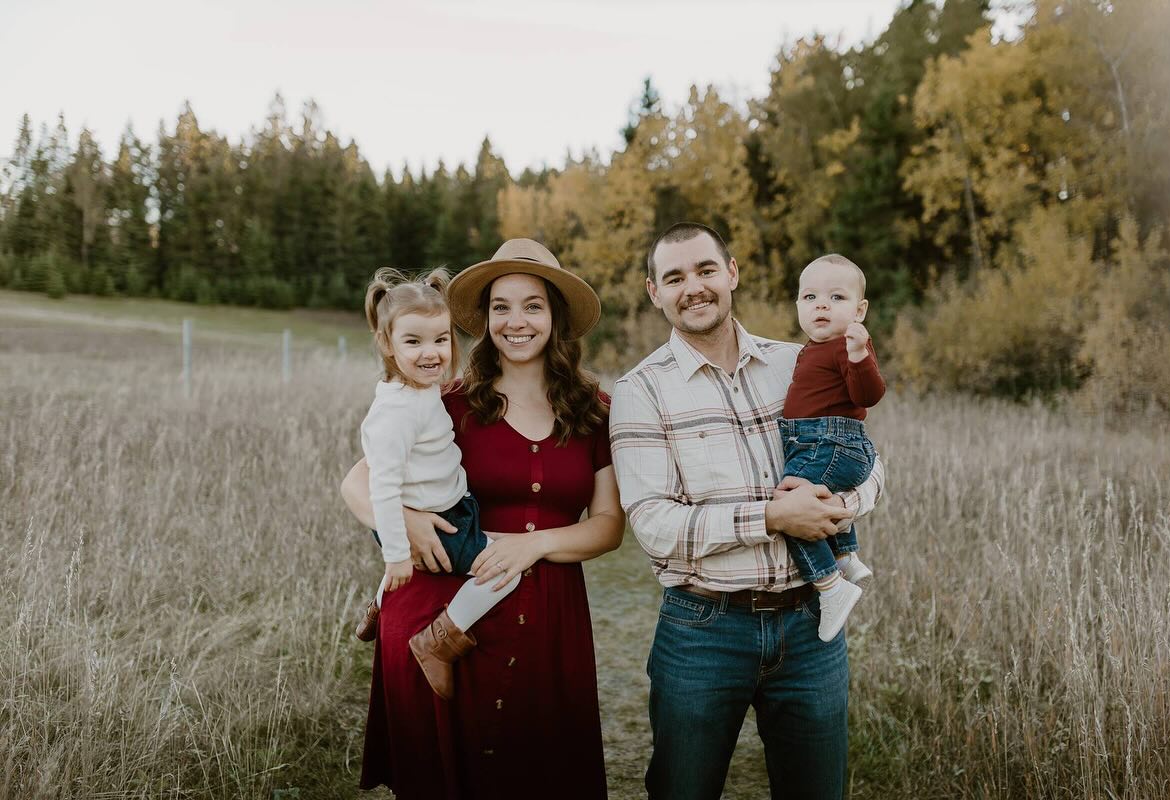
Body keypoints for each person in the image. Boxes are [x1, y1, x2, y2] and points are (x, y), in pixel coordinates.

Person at [609, 222, 885, 800]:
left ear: (731, 273)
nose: (694, 287)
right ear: (653, 291)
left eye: (706, 270)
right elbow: (654, 527)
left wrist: (839, 505)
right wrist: (773, 517)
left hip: (811, 629)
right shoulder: (641, 391)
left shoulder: (800, 360)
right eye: (675, 277)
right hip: (703, 631)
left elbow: (867, 459)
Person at [341, 238, 622, 799]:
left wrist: (532, 545)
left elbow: (609, 526)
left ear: (556, 316)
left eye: (533, 305)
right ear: (486, 319)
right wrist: (408, 520)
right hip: (440, 613)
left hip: (550, 626)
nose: (516, 321)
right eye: (501, 307)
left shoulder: (595, 411)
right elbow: (355, 481)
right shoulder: (448, 401)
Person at [355, 266, 521, 700]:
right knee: (505, 572)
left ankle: (376, 607)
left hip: (452, 506)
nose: (432, 353)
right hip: (438, 519)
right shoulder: (396, 414)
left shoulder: (420, 388)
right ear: (387, 345)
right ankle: (440, 640)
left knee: (494, 548)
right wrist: (395, 557)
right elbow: (383, 489)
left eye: (441, 339)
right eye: (414, 342)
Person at [778, 253, 886, 642]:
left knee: (791, 507)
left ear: (860, 310)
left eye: (836, 298)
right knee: (816, 498)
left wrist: (860, 355)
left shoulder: (847, 345)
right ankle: (845, 556)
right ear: (798, 306)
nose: (821, 305)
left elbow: (869, 395)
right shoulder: (808, 348)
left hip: (833, 441)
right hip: (819, 441)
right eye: (810, 297)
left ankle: (830, 587)